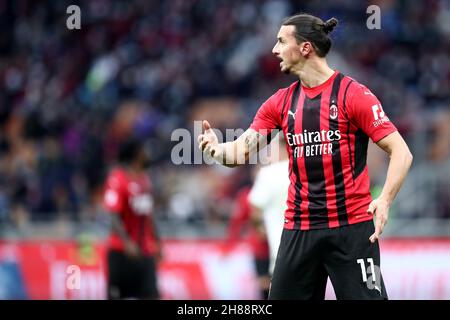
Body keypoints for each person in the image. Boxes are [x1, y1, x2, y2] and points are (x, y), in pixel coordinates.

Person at [198, 13, 413, 300]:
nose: (274, 50)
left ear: (305, 48)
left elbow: (401, 151)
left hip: (351, 230)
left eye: (281, 41)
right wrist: (217, 150)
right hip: (299, 229)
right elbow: (240, 152)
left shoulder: (353, 95)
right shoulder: (279, 103)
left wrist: (384, 199)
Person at [103, 138, 161, 299]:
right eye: (144, 150)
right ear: (136, 154)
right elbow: (114, 215)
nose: (148, 154)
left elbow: (148, 215)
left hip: (144, 252)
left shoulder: (145, 181)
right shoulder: (117, 179)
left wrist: (157, 242)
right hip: (121, 252)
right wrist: (127, 242)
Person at [248, 135, 289, 278]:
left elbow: (255, 208)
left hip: (282, 253)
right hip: (314, 251)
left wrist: (261, 229)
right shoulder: (307, 170)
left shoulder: (269, 174)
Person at [227, 184, 271, 299]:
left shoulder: (282, 189)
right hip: (262, 248)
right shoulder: (247, 195)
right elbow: (237, 221)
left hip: (280, 246)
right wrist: (230, 244)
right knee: (265, 282)